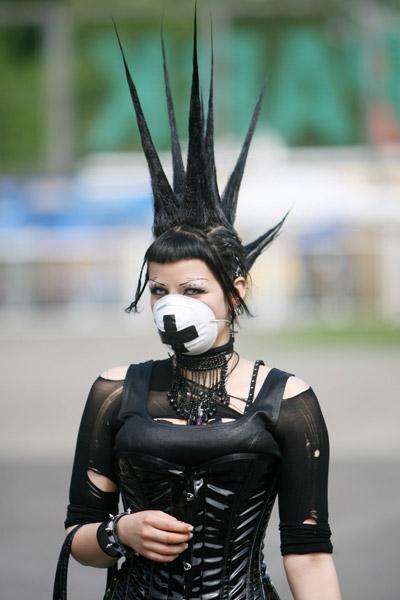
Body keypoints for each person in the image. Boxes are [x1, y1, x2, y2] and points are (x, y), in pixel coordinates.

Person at [63, 6, 342, 599]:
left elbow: (310, 555)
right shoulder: (114, 391)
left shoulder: (289, 401)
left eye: (192, 290)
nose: (171, 306)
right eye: (158, 290)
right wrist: (120, 532)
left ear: (236, 290)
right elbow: (78, 539)